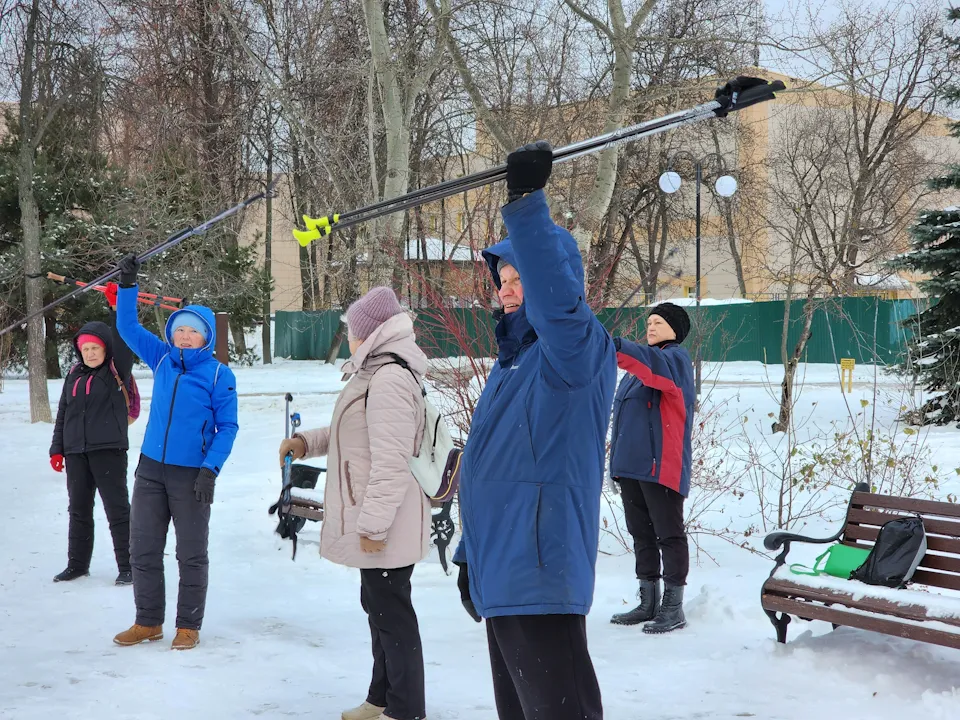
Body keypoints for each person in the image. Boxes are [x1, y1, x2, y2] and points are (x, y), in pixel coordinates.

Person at [452, 141, 617, 720]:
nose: (506, 287)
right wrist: (471, 552)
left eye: (521, 276)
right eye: (502, 276)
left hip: (542, 572)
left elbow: (559, 305)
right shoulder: (511, 366)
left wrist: (526, 206)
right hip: (504, 572)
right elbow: (490, 473)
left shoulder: (573, 355)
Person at [278, 286, 432, 720]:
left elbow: (391, 463)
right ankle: (381, 698)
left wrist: (374, 526)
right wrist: (306, 442)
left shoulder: (389, 379)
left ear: (372, 331)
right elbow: (351, 433)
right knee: (381, 614)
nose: (348, 337)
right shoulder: (375, 373)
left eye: (352, 329)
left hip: (386, 524)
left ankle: (404, 710)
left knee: (393, 619)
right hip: (376, 521)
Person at [110, 253, 239, 651]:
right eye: (179, 329)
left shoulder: (219, 374)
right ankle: (148, 621)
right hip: (150, 470)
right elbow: (128, 325)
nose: (184, 336)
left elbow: (228, 427)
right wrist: (129, 285)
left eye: (192, 331)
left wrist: (210, 469)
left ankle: (188, 625)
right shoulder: (162, 358)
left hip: (191, 475)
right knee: (142, 548)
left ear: (206, 338)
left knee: (190, 553)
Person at [608, 302, 694, 634]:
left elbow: (652, 366)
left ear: (675, 329)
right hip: (632, 469)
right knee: (641, 535)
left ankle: (673, 607)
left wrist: (617, 346)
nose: (651, 326)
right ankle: (648, 603)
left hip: (661, 468)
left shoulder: (674, 360)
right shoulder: (635, 374)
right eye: (649, 322)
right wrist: (615, 466)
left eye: (659, 321)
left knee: (669, 535)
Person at [49, 283, 134, 586]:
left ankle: (128, 566)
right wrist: (57, 448)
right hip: (76, 452)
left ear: (105, 348)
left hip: (108, 449)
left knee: (117, 510)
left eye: (95, 348)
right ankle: (77, 564)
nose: (90, 353)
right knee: (79, 510)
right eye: (85, 348)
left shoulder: (115, 370)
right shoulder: (73, 374)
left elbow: (125, 339)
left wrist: (117, 307)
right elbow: (63, 414)